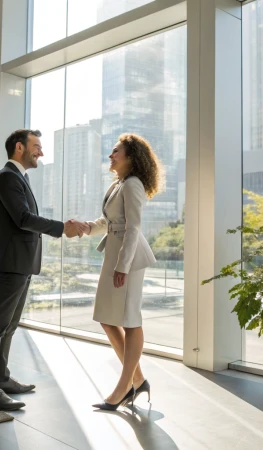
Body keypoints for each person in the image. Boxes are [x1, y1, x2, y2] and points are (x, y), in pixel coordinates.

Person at [0, 129, 87, 411]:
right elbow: (23, 219)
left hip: (20, 262)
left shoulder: (18, 178)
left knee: (9, 325)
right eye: (36, 146)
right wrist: (62, 228)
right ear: (19, 148)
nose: (41, 152)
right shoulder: (7, 177)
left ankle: (1, 378)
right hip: (10, 262)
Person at [80, 133, 162, 410]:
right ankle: (138, 381)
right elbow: (110, 221)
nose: (110, 155)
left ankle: (124, 387)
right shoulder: (120, 184)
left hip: (127, 259)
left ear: (130, 157)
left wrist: (123, 267)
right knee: (106, 317)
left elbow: (133, 227)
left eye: (116, 151)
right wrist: (86, 227)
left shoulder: (133, 184)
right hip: (114, 255)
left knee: (130, 319)